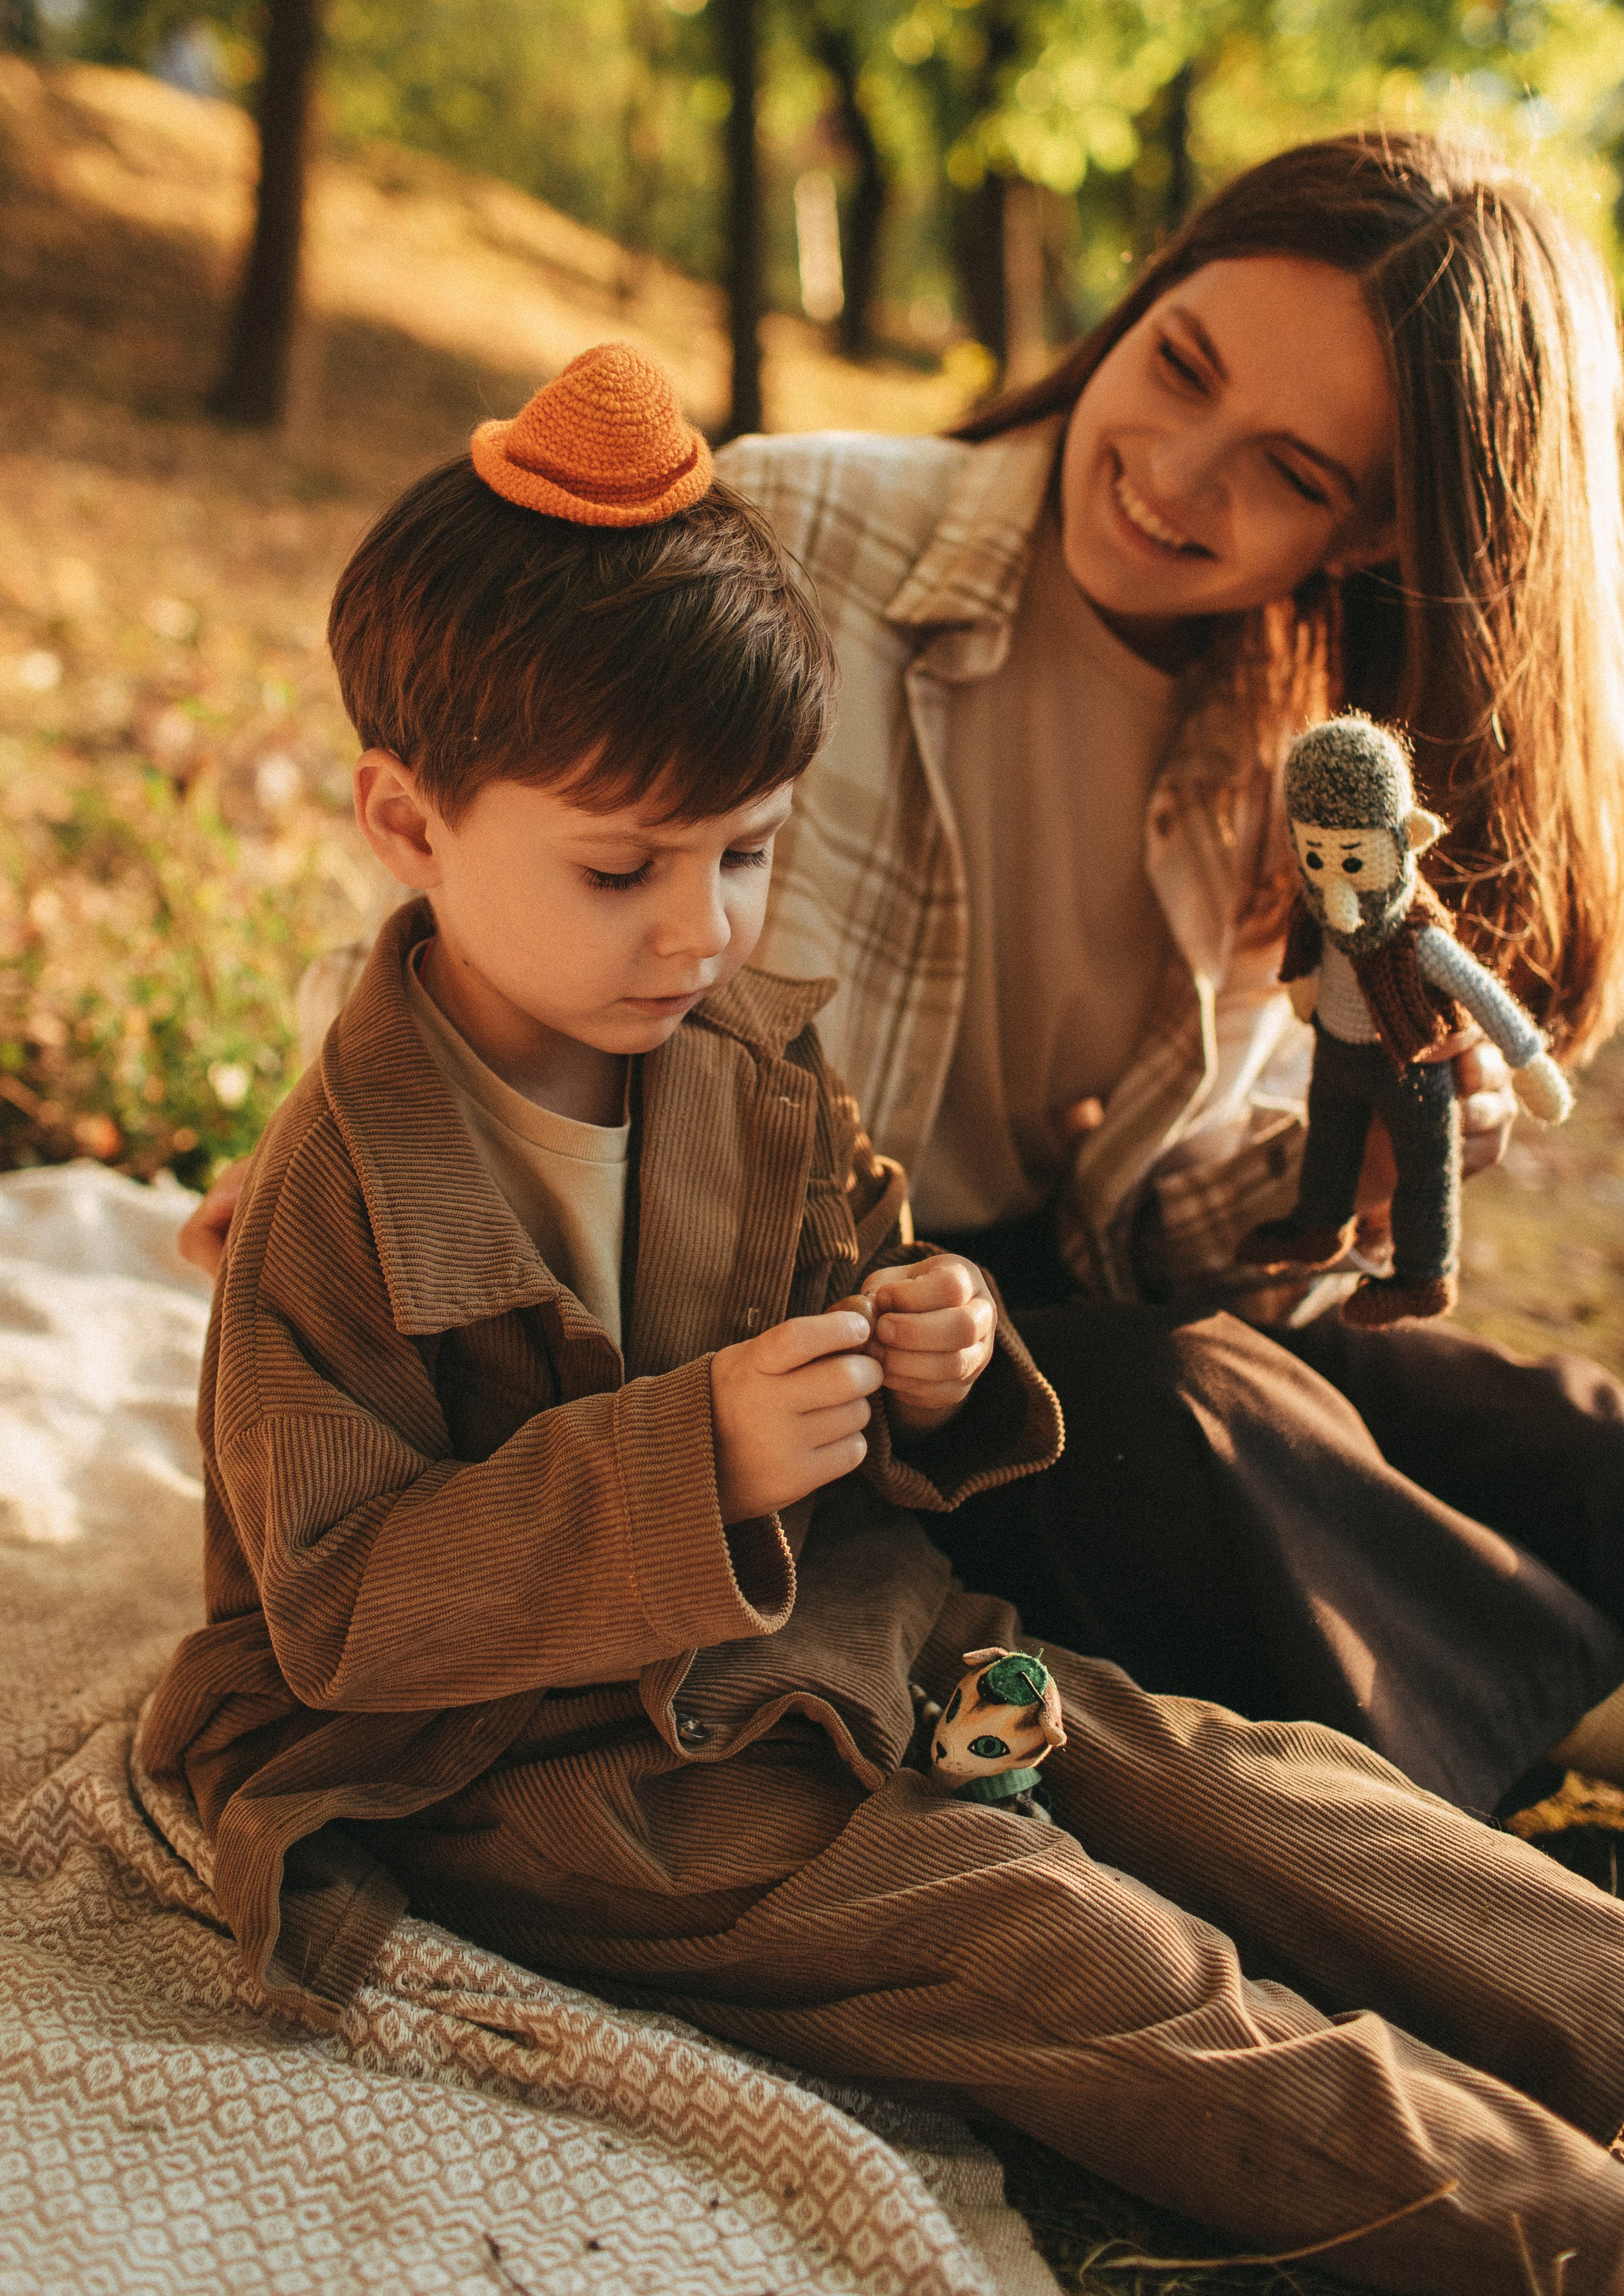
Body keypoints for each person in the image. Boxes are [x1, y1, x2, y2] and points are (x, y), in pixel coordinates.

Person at [143, 344, 1624, 2296]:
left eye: (746, 853)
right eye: (622, 869)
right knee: (1080, 1957)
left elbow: (862, 1258)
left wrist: (935, 1343)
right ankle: (1565, 2233)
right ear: (407, 824)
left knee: (1235, 1793)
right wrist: (697, 1461)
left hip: (861, 1640)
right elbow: (331, 1611)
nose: (702, 929)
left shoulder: (742, 1051)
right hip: (559, 1778)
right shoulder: (341, 1190)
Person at [179, 132, 1624, 1821]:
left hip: (1028, 1299)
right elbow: (510, 861)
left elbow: (1140, 1239)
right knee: (1182, 1414)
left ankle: (1545, 1681)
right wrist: (325, 1153)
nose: (1175, 468)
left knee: (1544, 1423)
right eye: (1178, 364)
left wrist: (1342, 1187)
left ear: (1378, 534)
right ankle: (1530, 1778)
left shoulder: (1291, 762)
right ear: (1138, 304)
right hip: (824, 1348)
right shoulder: (799, 534)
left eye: (1293, 472)